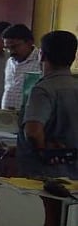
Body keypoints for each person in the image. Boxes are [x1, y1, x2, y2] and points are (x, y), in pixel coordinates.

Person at [18, 30, 78, 179]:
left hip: (44, 174)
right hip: (73, 173)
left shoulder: (43, 89)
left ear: (42, 55)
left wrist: (43, 149)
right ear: (73, 57)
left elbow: (32, 131)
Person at [1, 24, 41, 111]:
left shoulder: (42, 61)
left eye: (14, 47)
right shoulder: (10, 61)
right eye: (7, 48)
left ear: (29, 42)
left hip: (30, 116)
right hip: (6, 116)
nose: (10, 52)